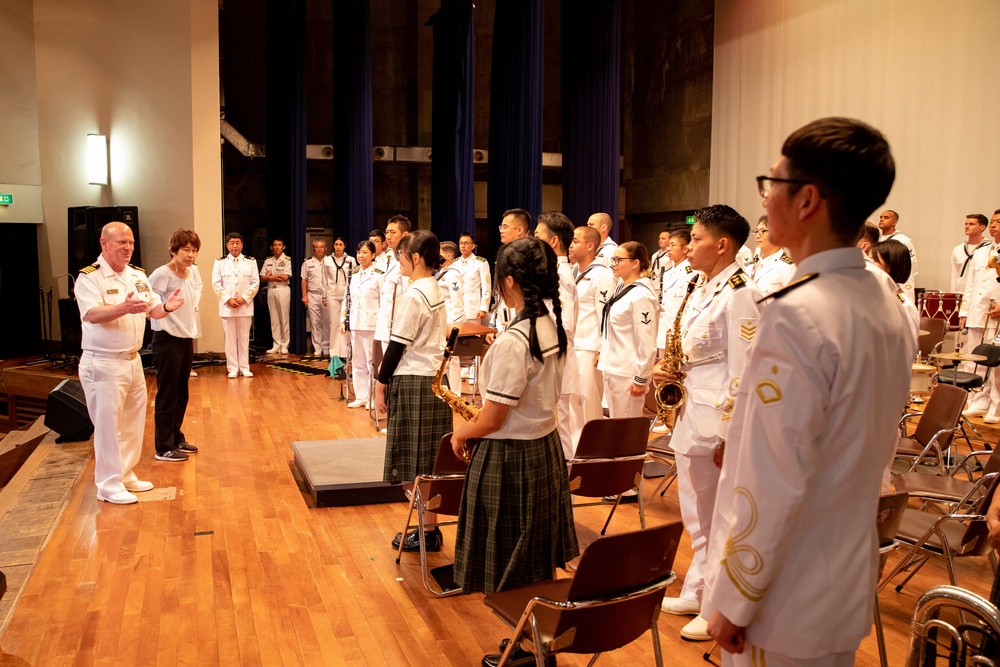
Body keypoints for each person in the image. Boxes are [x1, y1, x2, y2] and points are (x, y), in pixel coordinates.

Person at [702, 117, 915, 665]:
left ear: (807, 201)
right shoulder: (883, 298)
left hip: (781, 598)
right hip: (839, 576)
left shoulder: (799, 315)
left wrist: (733, 599)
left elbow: (774, 476)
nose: (765, 198)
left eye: (772, 184)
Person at [451, 236, 578, 604]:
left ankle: (524, 642)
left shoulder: (516, 340)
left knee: (511, 554)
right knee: (535, 552)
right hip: (545, 445)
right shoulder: (549, 325)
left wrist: (461, 433)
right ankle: (536, 634)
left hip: (511, 455)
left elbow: (492, 419)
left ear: (509, 281)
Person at [656, 206, 761, 642]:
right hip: (690, 406)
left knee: (720, 514)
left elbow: (745, 368)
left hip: (715, 415)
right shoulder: (700, 285)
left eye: (696, 238)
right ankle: (698, 587)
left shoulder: (741, 292)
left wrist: (727, 432)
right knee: (695, 511)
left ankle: (718, 602)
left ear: (722, 245)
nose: (689, 244)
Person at [77, 222, 184, 505]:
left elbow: (152, 310)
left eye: (131, 243)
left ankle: (124, 474)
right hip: (103, 362)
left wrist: (167, 307)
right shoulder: (90, 278)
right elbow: (91, 314)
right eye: (122, 242)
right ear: (104, 244)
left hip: (133, 359)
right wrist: (122, 308)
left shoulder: (137, 275)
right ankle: (108, 484)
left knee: (133, 422)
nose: (128, 248)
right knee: (108, 426)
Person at [375, 230, 453, 551]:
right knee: (430, 461)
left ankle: (423, 530)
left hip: (414, 380)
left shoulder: (414, 294)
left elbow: (396, 346)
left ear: (416, 258)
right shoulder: (435, 287)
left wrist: (380, 384)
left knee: (411, 463)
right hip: (435, 379)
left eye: (401, 255)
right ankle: (429, 530)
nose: (399, 260)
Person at [148, 229, 203, 463]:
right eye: (186, 250)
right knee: (167, 394)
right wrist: (166, 308)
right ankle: (163, 447)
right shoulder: (161, 274)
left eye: (194, 250)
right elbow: (149, 305)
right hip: (166, 339)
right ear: (173, 250)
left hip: (184, 338)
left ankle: (176, 437)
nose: (190, 255)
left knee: (182, 393)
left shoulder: (193, 272)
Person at [535, 212, 584, 457]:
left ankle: (565, 491)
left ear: (553, 241)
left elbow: (563, 325)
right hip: (552, 362)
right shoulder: (552, 271)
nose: (534, 241)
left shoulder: (559, 275)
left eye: (537, 235)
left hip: (556, 362)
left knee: (558, 429)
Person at [597, 241, 659, 419]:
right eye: (613, 259)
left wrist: (641, 377)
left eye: (618, 260)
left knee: (626, 424)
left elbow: (646, 341)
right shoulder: (621, 288)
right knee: (616, 420)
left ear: (635, 262)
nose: (613, 264)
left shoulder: (641, 295)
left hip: (627, 370)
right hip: (613, 366)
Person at [569, 225, 616, 425]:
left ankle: (592, 448)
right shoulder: (572, 271)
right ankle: (575, 444)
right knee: (572, 400)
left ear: (590, 246)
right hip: (572, 344)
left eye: (575, 241)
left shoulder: (602, 275)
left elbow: (606, 315)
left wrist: (601, 350)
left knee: (588, 400)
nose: (570, 246)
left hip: (589, 347)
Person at [960, 210, 1000, 420]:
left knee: (995, 362)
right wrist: (964, 311)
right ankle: (978, 400)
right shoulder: (982, 251)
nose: (993, 225)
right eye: (992, 222)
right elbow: (970, 284)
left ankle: (997, 405)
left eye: (998, 222)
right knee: (975, 359)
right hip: (978, 311)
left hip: (996, 314)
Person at [212, 232, 259, 378]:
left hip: (245, 306)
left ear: (242, 245)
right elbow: (216, 284)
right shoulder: (220, 262)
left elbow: (255, 283)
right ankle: (232, 367)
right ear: (227, 245)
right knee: (230, 338)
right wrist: (228, 299)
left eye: (238, 242)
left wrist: (244, 298)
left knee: (244, 338)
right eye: (232, 243)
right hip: (228, 307)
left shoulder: (250, 262)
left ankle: (244, 367)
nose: (235, 246)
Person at [343, 241, 382, 409]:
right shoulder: (354, 274)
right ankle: (361, 396)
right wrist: (342, 320)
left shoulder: (379, 275)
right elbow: (347, 298)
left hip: (371, 324)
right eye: (359, 252)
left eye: (365, 252)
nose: (361, 255)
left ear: (373, 255)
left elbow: (383, 301)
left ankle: (373, 398)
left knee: (371, 362)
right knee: (357, 362)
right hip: (355, 322)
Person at [867, 240, 920, 343]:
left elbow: (905, 347)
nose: (867, 266)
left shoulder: (904, 306)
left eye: (873, 261)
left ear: (890, 267)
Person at [375, 215, 411, 355]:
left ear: (405, 235)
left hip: (399, 325)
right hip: (386, 322)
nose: (388, 236)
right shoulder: (387, 259)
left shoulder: (409, 260)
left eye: (393, 232)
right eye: (387, 232)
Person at [491, 209, 531, 334]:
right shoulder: (503, 253)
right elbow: (499, 295)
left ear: (519, 229)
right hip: (502, 323)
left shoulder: (530, 255)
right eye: (501, 227)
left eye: (505, 227)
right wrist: (493, 324)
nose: (502, 231)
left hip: (522, 324)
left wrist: (517, 322)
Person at [436, 240, 465, 393]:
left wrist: (455, 327)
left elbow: (457, 303)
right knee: (442, 359)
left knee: (452, 359)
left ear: (448, 255)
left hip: (450, 322)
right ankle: (444, 390)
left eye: (439, 253)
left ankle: (456, 393)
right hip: (440, 321)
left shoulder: (453, 275)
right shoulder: (440, 273)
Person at [324, 237, 355, 364]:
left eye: (340, 244)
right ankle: (334, 352)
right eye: (336, 244)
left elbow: (354, 278)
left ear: (344, 246)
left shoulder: (351, 260)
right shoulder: (327, 260)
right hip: (331, 294)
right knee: (334, 323)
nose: (338, 247)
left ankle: (345, 352)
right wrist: (324, 296)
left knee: (345, 324)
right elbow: (324, 279)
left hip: (346, 295)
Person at [260, 237, 292, 355]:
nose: (277, 247)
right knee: (274, 319)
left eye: (279, 245)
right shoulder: (268, 260)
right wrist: (270, 277)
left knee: (284, 318)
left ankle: (284, 345)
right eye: (275, 245)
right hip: (271, 290)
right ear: (271, 247)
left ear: (283, 247)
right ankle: (276, 344)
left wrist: (271, 276)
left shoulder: (287, 260)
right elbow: (262, 277)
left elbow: (285, 277)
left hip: (283, 289)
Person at [877, 209, 918, 300]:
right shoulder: (876, 239)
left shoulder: (903, 240)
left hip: (899, 282)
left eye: (886, 217)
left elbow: (912, 266)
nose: (881, 219)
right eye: (881, 217)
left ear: (894, 222)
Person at [749, 215, 796, 294]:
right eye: (756, 231)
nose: (757, 235)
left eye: (763, 231)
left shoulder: (788, 267)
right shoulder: (752, 265)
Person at [301, 239, 330, 358]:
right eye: (317, 247)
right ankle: (317, 348)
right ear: (313, 249)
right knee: (315, 322)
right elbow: (304, 279)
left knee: (327, 322)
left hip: (327, 295)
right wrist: (304, 295)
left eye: (322, 246)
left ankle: (327, 347)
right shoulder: (307, 263)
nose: (319, 249)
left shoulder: (330, 261)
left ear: (325, 248)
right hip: (312, 294)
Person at [455, 232, 491, 323]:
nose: (463, 246)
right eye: (461, 243)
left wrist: (483, 308)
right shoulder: (454, 263)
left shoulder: (481, 263)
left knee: (473, 336)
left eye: (466, 243)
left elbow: (486, 288)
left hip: (472, 309)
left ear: (473, 246)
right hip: (456, 310)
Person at [951, 213, 990, 295]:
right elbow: (954, 275)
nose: (967, 226)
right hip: (961, 293)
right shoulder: (958, 250)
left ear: (982, 227)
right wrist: (953, 295)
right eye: (966, 224)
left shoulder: (989, 249)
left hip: (980, 294)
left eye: (971, 224)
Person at [650, 228, 674, 300]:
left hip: (665, 284)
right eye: (659, 238)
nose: (660, 240)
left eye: (663, 238)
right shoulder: (655, 255)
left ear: (669, 240)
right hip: (654, 284)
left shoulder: (671, 255)